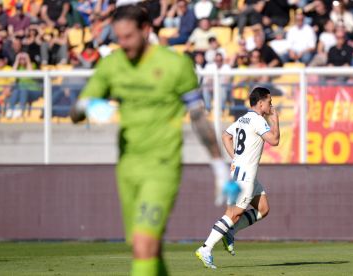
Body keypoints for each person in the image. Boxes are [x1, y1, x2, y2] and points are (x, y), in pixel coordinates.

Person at [70, 3, 233, 275]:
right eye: (118, 38)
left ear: (146, 30)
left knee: (144, 244)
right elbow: (75, 112)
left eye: (128, 37)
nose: (123, 44)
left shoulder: (175, 65)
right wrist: (86, 106)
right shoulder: (112, 64)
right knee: (146, 247)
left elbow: (198, 117)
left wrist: (219, 167)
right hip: (127, 167)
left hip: (162, 166)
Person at [196, 86, 280, 269]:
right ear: (260, 103)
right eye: (269, 101)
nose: (271, 105)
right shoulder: (258, 120)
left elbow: (226, 136)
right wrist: (275, 120)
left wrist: (235, 158)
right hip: (245, 176)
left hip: (241, 171)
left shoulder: (243, 118)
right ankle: (206, 248)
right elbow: (274, 140)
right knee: (233, 214)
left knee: (263, 209)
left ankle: (229, 232)